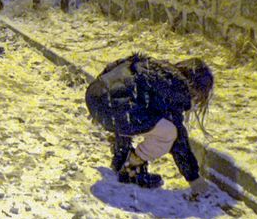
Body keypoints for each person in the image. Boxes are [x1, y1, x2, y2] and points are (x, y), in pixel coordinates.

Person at [85, 53, 213, 198]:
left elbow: (117, 79)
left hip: (95, 94)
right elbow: (179, 141)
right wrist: (194, 179)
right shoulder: (177, 89)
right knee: (168, 131)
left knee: (131, 107)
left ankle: (121, 156)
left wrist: (100, 105)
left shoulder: (152, 67)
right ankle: (132, 167)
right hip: (113, 109)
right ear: (196, 87)